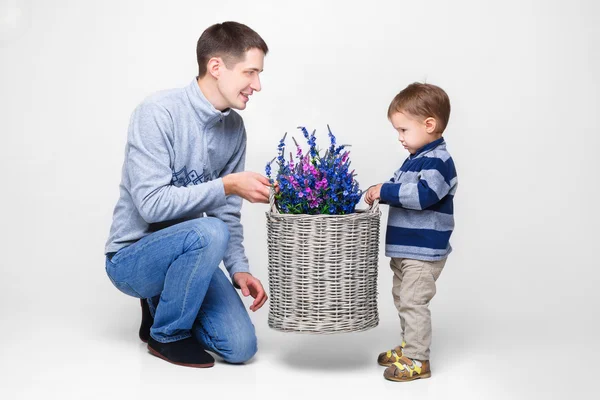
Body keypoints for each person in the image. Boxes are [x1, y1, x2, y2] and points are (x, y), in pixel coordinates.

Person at [104, 21, 271, 368]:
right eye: (250, 72)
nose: (257, 85)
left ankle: (166, 302)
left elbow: (227, 213)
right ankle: (166, 334)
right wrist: (227, 185)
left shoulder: (234, 128)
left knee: (241, 348)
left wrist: (239, 269)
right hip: (131, 258)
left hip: (191, 253)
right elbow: (151, 206)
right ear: (216, 67)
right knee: (209, 231)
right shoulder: (158, 112)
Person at [364, 82, 458, 381]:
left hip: (423, 251)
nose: (400, 137)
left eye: (403, 130)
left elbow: (422, 196)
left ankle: (418, 359)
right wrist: (380, 191)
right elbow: (399, 188)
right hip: (407, 249)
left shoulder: (438, 161)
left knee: (413, 302)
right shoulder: (415, 159)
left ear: (429, 124)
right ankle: (409, 347)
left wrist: (386, 190)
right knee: (403, 299)